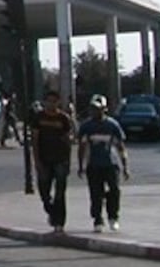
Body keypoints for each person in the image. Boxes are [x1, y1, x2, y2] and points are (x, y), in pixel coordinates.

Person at [77, 94, 129, 233]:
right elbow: (82, 147)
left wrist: (125, 166)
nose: (95, 112)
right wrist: (81, 165)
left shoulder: (112, 125)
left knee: (114, 191)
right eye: (93, 109)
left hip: (111, 164)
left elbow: (121, 146)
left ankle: (113, 217)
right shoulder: (86, 126)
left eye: (98, 109)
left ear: (105, 109)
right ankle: (98, 219)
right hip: (93, 164)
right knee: (95, 193)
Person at [30, 90, 74, 233]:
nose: (51, 104)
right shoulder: (39, 118)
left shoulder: (63, 119)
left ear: (58, 102)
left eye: (54, 101)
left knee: (60, 193)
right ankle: (51, 211)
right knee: (44, 192)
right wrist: (36, 161)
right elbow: (35, 140)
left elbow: (68, 140)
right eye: (48, 101)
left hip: (60, 159)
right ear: (44, 102)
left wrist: (68, 161)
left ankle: (59, 222)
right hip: (44, 159)